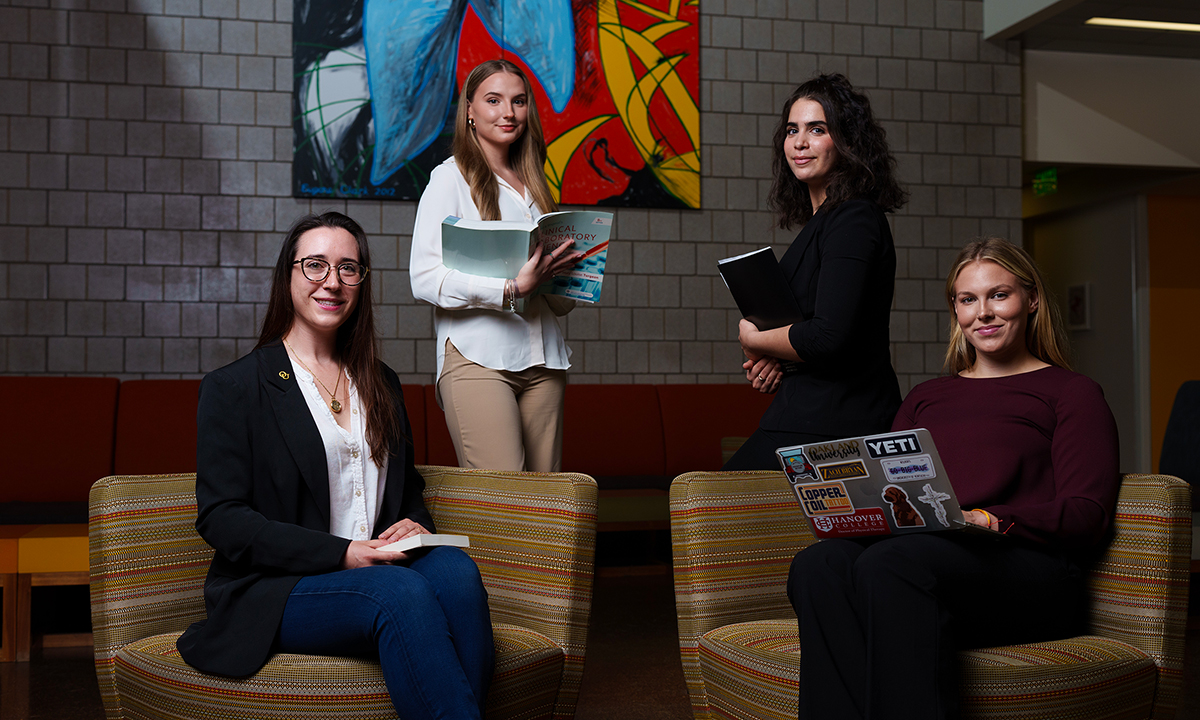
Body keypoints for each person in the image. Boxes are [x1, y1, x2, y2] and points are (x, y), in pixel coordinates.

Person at [787, 237, 1121, 720]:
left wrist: (987, 519)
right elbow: (890, 488)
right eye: (968, 300)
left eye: (998, 295)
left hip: (1026, 571)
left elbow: (1087, 514)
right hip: (923, 559)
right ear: (956, 311)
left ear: (1030, 300)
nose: (983, 313)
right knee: (819, 565)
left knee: (892, 564)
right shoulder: (927, 396)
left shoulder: (1071, 392)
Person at [177, 212, 494, 720]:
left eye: (349, 269)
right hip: (279, 588)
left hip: (382, 568)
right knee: (402, 592)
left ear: (362, 283)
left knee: (456, 572)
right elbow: (223, 518)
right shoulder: (235, 388)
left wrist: (414, 524)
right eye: (315, 265)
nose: (333, 282)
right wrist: (342, 552)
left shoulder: (381, 382)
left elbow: (407, 490)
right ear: (289, 276)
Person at [723, 73, 907, 470]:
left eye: (817, 129)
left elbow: (829, 336)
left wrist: (753, 339)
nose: (800, 142)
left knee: (706, 509)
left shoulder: (854, 218)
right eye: (792, 130)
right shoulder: (825, 221)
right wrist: (776, 361)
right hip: (810, 416)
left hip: (837, 422)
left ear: (847, 141)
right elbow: (813, 328)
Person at [410, 59, 581, 472]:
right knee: (507, 506)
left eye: (519, 101)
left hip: (545, 362)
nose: (509, 112)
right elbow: (424, 278)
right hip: (477, 359)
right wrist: (510, 289)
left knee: (548, 509)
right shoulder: (447, 180)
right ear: (469, 109)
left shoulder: (536, 186)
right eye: (494, 100)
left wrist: (566, 277)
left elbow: (554, 297)